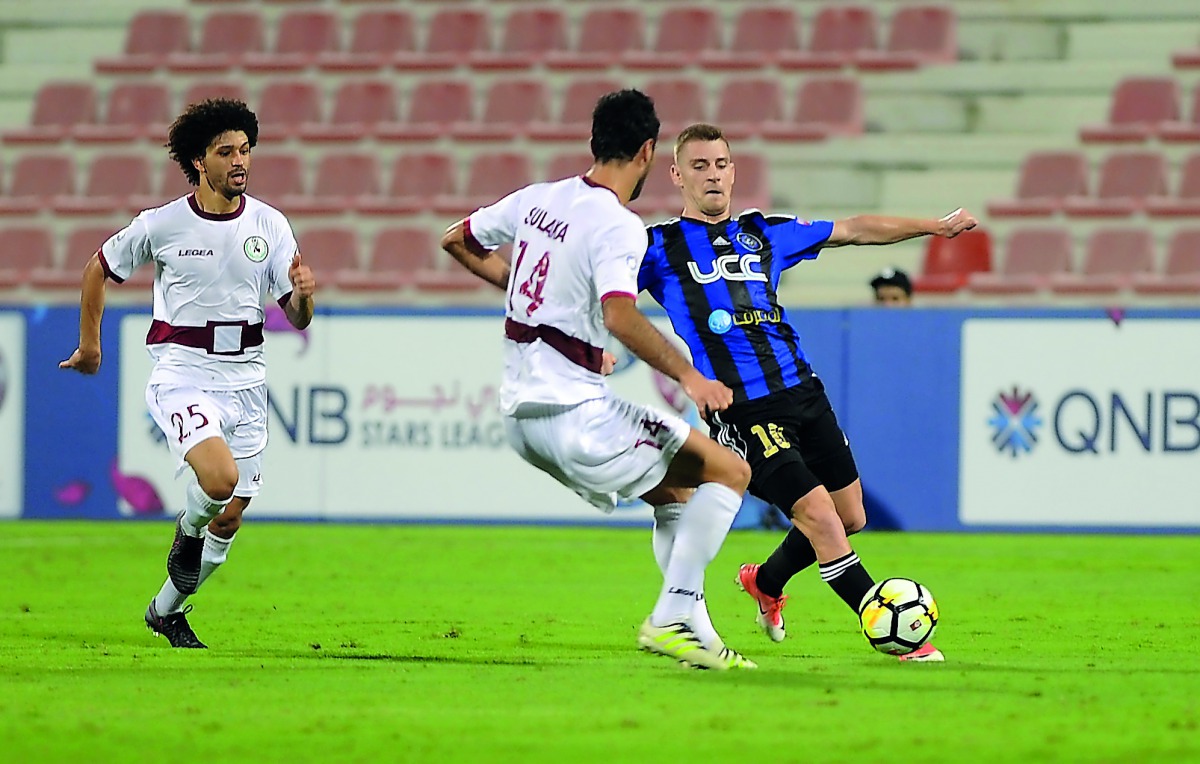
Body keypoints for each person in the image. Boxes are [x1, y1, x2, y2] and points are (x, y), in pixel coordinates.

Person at [638, 123, 977, 662]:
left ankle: (767, 583)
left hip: (803, 392)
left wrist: (932, 227)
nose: (713, 175)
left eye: (721, 164)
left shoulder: (763, 232)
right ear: (677, 176)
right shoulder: (656, 247)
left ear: (733, 170)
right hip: (743, 408)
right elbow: (603, 290)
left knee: (851, 516)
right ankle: (889, 629)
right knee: (818, 515)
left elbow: (854, 229)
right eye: (699, 166)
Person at [441, 91, 756, 671]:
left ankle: (696, 637)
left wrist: (562, 329)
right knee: (731, 471)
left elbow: (456, 239)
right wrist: (691, 377)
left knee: (674, 493)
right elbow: (620, 314)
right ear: (647, 151)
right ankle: (670, 619)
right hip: (573, 415)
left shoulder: (539, 199)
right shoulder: (619, 225)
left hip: (520, 417)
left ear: (594, 142)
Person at [60, 99, 316, 649]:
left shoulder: (270, 224)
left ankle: (164, 610)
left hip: (247, 378)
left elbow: (294, 316)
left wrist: (301, 297)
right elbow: (97, 269)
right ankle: (187, 530)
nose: (239, 161)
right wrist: (90, 346)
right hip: (183, 372)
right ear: (200, 161)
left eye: (245, 150)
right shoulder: (163, 224)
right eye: (226, 152)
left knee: (231, 518)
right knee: (218, 483)